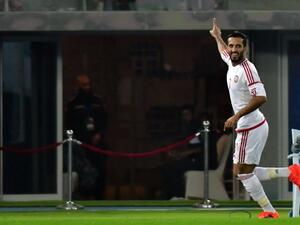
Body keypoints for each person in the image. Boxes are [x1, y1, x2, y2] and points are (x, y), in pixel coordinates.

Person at [210, 18, 300, 218]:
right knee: (242, 170)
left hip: (250, 125)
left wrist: (236, 116)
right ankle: (291, 172)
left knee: (242, 173)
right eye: (231, 45)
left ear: (244, 48)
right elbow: (223, 52)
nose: (233, 49)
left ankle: (269, 211)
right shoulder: (231, 61)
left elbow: (261, 97)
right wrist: (217, 36)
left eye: (237, 46)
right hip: (252, 125)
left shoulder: (248, 69)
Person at [162, 105, 219, 199]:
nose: (185, 117)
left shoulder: (199, 127)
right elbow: (190, 145)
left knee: (174, 168)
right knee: (169, 166)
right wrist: (178, 153)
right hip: (196, 160)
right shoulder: (189, 128)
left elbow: (204, 148)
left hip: (206, 162)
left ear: (193, 115)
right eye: (183, 115)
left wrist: (183, 154)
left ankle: (178, 196)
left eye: (187, 114)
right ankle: (171, 195)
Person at [65, 74, 107, 200]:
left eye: (88, 84)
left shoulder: (97, 101)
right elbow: (69, 123)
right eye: (84, 85)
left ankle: (99, 197)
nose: (87, 87)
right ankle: (84, 196)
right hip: (80, 143)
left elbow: (105, 120)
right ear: (78, 86)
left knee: (99, 169)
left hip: (97, 142)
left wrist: (100, 134)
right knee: (83, 171)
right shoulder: (73, 103)